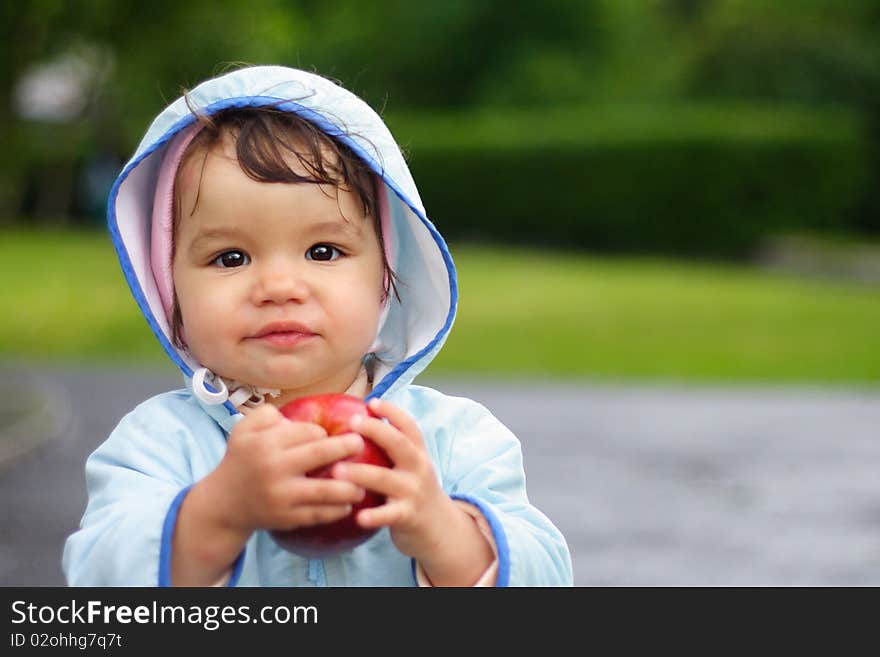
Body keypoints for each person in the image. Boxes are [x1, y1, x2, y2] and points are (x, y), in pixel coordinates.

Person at [62, 65, 572, 586]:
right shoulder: (159, 446)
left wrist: (442, 529)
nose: (280, 286)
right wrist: (218, 512)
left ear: (386, 280)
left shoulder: (451, 442)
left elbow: (548, 579)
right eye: (231, 257)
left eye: (323, 250)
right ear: (168, 291)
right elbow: (99, 581)